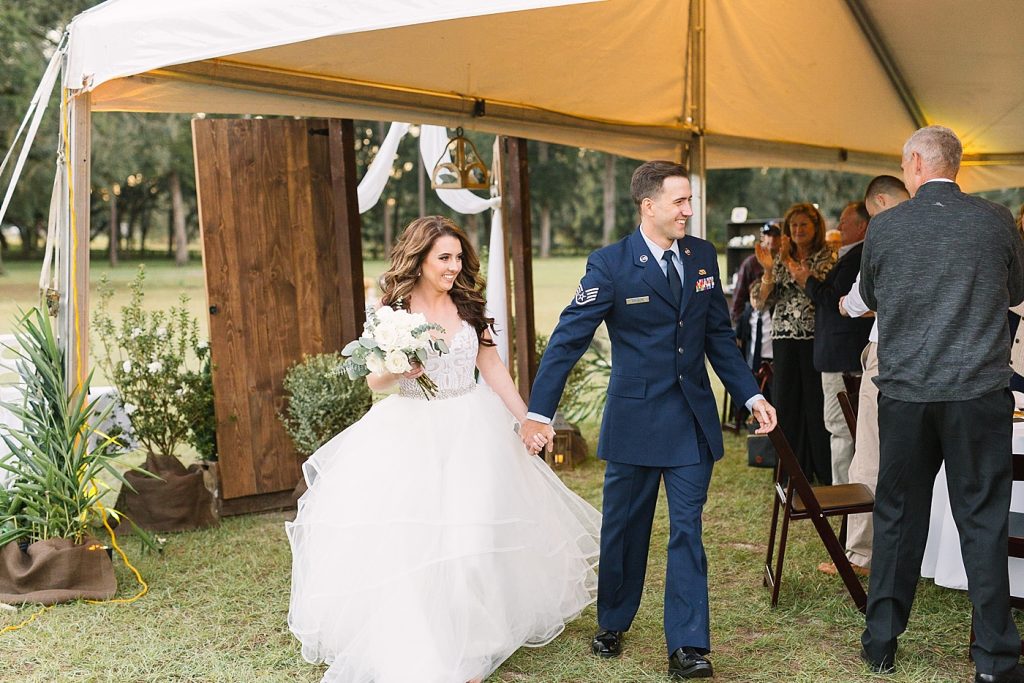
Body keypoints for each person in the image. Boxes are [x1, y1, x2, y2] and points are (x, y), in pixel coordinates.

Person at [287, 216, 602, 683]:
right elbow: (375, 380)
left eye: (458, 257)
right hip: (410, 432)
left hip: (473, 427)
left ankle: (472, 646)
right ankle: (428, 644)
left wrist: (527, 418)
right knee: (416, 545)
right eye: (444, 258)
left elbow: (491, 364)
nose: (454, 266)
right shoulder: (392, 310)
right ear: (421, 259)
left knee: (471, 542)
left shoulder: (468, 305)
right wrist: (400, 369)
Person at [519, 160, 777, 680]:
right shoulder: (610, 264)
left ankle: (687, 645)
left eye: (690, 201)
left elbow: (717, 339)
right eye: (680, 202)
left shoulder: (702, 256)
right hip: (635, 421)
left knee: (687, 530)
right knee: (625, 529)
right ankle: (613, 620)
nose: (689, 211)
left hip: (691, 422)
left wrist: (751, 396)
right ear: (649, 205)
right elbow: (569, 338)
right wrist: (538, 413)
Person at [859, 126, 1024, 682]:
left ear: (914, 164)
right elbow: (1017, 291)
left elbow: (875, 297)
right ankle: (997, 661)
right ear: (956, 166)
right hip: (979, 392)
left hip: (906, 392)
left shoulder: (885, 227)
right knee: (983, 520)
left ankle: (881, 643)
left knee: (898, 516)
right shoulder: (996, 220)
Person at [818, 175, 909, 578]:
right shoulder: (954, 226)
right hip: (945, 358)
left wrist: (845, 303)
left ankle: (861, 554)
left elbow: (859, 300)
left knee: (869, 453)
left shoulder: (889, 230)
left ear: (882, 202)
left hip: (891, 352)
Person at [787, 202, 872, 484]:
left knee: (840, 426)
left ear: (862, 226)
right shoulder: (852, 254)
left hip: (842, 356)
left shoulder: (858, 256)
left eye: (845, 222)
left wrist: (806, 280)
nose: (839, 227)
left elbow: (834, 299)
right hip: (842, 353)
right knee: (845, 426)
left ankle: (843, 491)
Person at [751, 203, 834, 484]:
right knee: (786, 403)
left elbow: (819, 291)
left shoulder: (826, 256)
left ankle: (821, 468)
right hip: (784, 338)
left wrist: (785, 260)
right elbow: (759, 301)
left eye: (803, 225)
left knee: (815, 402)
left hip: (815, 338)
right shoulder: (776, 259)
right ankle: (791, 471)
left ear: (816, 228)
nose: (797, 231)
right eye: (793, 226)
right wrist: (768, 272)